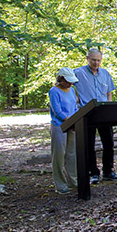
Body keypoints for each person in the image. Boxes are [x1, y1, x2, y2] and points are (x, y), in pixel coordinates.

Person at [74, 48, 117, 184]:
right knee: (89, 144)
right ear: (87, 58)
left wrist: (110, 108)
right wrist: (75, 99)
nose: (96, 63)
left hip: (104, 113)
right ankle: (93, 173)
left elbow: (109, 93)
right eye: (93, 60)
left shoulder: (105, 73)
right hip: (87, 113)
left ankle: (108, 171)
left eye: (99, 60)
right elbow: (65, 84)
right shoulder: (78, 73)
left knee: (108, 143)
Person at [48, 67, 79, 195]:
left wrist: (77, 119)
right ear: (61, 79)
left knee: (72, 154)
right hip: (59, 126)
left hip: (73, 124)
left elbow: (75, 107)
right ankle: (60, 184)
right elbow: (57, 110)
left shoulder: (72, 90)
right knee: (59, 155)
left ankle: (74, 181)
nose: (70, 84)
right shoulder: (54, 91)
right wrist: (69, 120)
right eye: (67, 81)